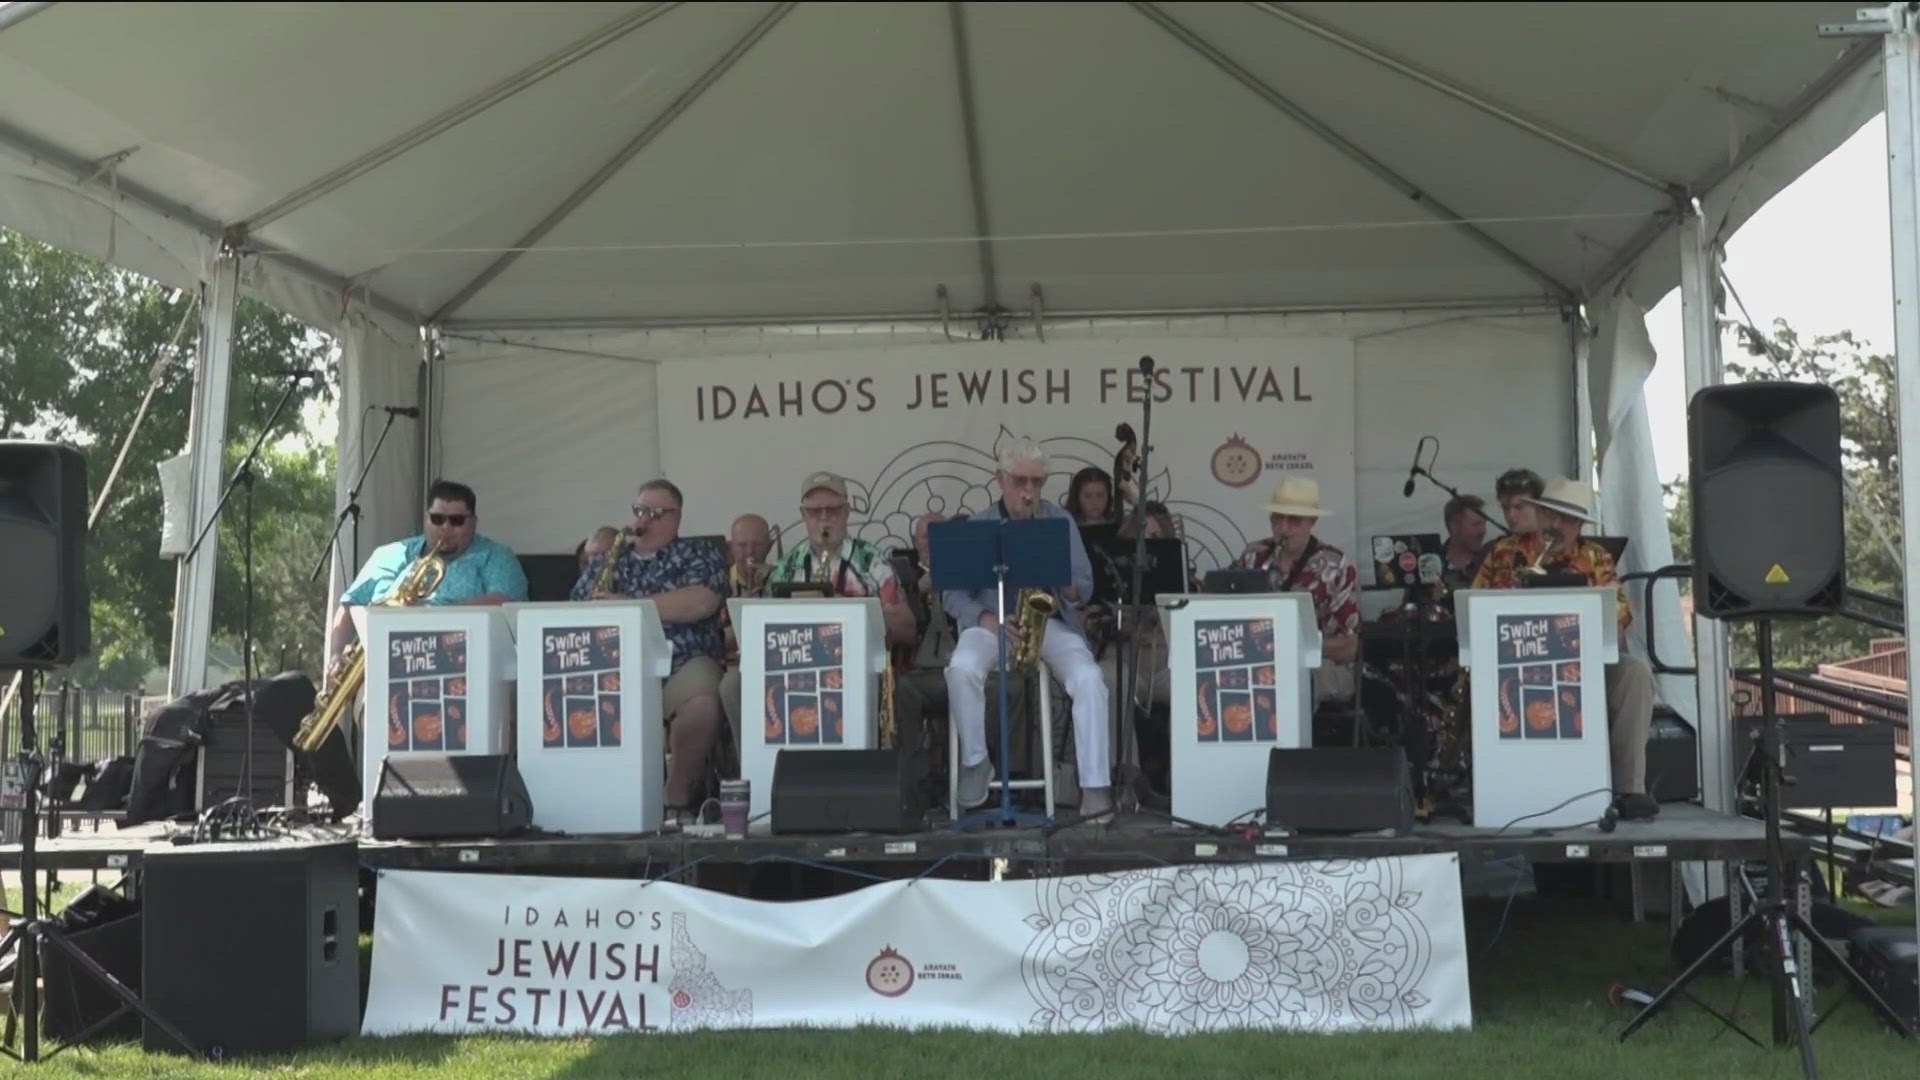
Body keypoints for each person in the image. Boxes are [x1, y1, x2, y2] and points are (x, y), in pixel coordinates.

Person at [1470, 477, 1658, 821]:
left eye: (1568, 520)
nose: (1558, 526)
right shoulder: (1503, 552)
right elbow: (1471, 608)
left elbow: (1618, 621)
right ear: (1539, 514)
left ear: (1580, 526)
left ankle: (1629, 790)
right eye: (1552, 516)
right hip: (1512, 666)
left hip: (1583, 663)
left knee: (1635, 672)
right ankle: (1492, 788)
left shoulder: (1594, 557)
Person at [944, 439, 1113, 817]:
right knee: (961, 669)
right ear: (1000, 478)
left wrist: (1064, 579)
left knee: (1089, 680)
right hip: (993, 620)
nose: (1029, 491)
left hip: (1048, 621)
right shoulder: (979, 525)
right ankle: (975, 762)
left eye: (1037, 482)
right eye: (1020, 481)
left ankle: (1095, 786)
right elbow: (952, 595)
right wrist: (987, 619)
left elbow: (1082, 587)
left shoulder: (1059, 520)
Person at [718, 474, 919, 762]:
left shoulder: (872, 562)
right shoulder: (787, 568)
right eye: (815, 512)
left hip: (855, 667)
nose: (824, 519)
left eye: (833, 510)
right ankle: (759, 774)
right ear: (803, 515)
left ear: (847, 512)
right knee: (733, 684)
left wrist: (854, 615)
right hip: (793, 668)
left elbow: (908, 629)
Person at [573, 478, 728, 817]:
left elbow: (701, 601)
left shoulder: (698, 553)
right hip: (613, 666)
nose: (645, 520)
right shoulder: (611, 559)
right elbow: (576, 609)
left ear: (677, 518)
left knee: (703, 701)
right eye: (641, 511)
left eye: (657, 513)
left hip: (681, 661)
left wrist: (630, 605)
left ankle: (677, 791)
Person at [330, 479, 527, 657]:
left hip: (459, 658)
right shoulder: (390, 554)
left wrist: (428, 619)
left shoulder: (496, 556)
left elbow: (503, 602)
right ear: (426, 519)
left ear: (473, 523)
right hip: (379, 656)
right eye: (437, 519)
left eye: (456, 521)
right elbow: (350, 605)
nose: (446, 528)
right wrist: (336, 655)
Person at [1238, 477, 1361, 680]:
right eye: (1277, 518)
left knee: (1287, 678)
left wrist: (1286, 647)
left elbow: (1348, 647)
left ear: (1312, 522)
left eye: (1294, 520)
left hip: (1321, 664)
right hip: (1259, 663)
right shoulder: (1253, 555)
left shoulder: (1336, 564)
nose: (1284, 528)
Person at [1440, 494, 1489, 588]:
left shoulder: (1491, 561)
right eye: (1476, 525)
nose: (1483, 531)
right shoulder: (1432, 563)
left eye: (1484, 524)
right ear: (1454, 526)